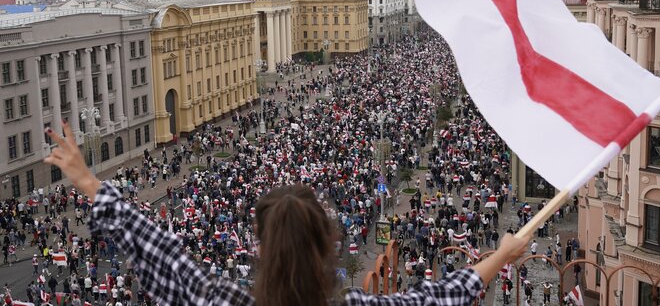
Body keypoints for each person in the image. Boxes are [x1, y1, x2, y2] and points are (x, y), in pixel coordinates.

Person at [44, 121, 530, 305]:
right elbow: (436, 298)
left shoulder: (218, 300)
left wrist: (88, 181)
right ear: (327, 244)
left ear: (260, 245)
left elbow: (159, 249)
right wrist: (499, 258)